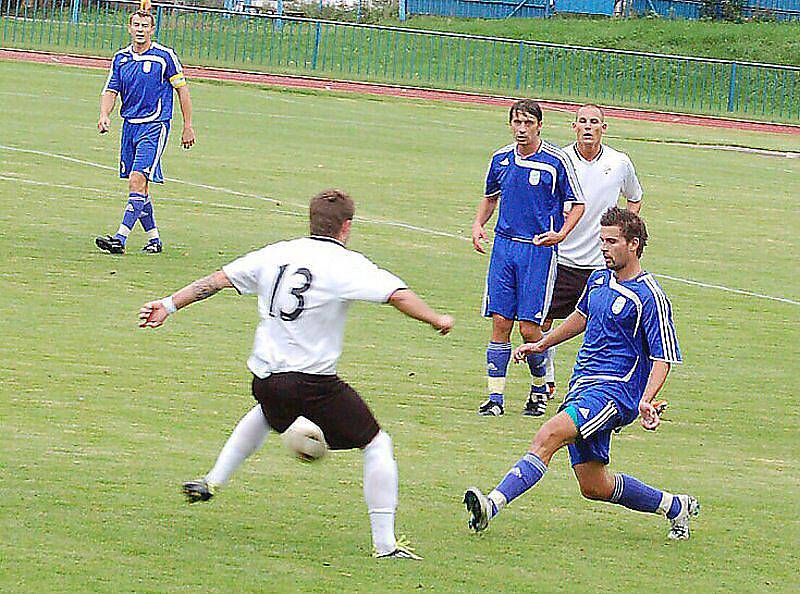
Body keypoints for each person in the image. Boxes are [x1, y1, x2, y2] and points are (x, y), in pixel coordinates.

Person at [138, 189, 454, 559]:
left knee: (267, 413)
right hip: (311, 383)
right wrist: (436, 319)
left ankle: (212, 481)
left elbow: (216, 280)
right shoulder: (345, 264)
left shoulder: (278, 253)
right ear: (346, 227)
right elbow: (397, 295)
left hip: (265, 380)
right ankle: (385, 546)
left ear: (311, 220)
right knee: (376, 443)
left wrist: (168, 305)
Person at [464, 208, 699, 541]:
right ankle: (675, 506)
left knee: (549, 434)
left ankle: (491, 504)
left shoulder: (649, 296)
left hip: (614, 394)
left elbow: (663, 357)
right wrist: (541, 344)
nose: (603, 247)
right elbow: (581, 316)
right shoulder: (599, 279)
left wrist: (645, 400)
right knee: (594, 485)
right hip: (583, 388)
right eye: (601, 240)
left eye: (612, 241)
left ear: (633, 244)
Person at [472, 99, 585, 418]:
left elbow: (577, 203)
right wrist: (479, 224)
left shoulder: (556, 161)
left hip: (537, 251)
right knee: (500, 322)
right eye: (517, 123)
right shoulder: (500, 159)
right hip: (504, 248)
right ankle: (495, 398)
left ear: (539, 125)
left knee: (528, 329)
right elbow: (490, 196)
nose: (522, 129)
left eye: (528, 123)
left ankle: (539, 388)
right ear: (510, 124)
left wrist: (560, 234)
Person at [537, 104, 644, 414]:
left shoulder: (619, 162)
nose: (588, 126)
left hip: (601, 266)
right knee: (540, 322)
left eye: (594, 122)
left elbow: (635, 198)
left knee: (604, 327)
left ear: (604, 127)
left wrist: (619, 233)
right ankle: (547, 380)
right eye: (582, 121)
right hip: (562, 257)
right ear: (574, 127)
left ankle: (602, 384)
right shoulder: (560, 160)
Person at [95, 9, 195, 255]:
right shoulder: (120, 58)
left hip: (154, 125)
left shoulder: (164, 57)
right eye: (136, 25)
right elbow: (111, 89)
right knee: (141, 188)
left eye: (145, 26)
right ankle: (154, 239)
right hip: (130, 126)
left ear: (152, 30)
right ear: (129, 28)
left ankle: (120, 238)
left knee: (136, 180)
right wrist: (105, 115)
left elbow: (182, 90)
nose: (140, 29)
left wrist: (187, 125)